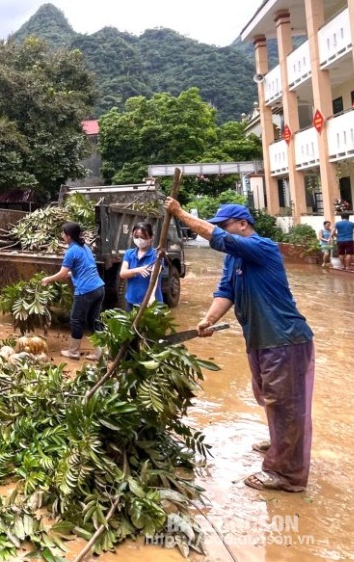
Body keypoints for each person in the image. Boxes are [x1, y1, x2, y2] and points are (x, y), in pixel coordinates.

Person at [164, 200, 314, 493]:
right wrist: (208, 318)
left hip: (284, 338)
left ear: (242, 224)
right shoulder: (234, 260)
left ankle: (286, 474)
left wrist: (181, 214)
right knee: (271, 396)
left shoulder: (263, 247)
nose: (221, 231)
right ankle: (282, 440)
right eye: (219, 225)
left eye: (225, 225)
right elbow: (226, 291)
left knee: (285, 402)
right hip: (260, 338)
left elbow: (218, 239)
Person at [41, 222, 106, 360]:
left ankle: (73, 352)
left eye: (63, 233)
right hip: (99, 288)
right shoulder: (85, 247)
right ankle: (101, 353)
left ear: (68, 236)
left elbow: (63, 273)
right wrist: (72, 274)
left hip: (85, 290)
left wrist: (48, 279)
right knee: (94, 320)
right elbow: (85, 267)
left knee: (76, 320)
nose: (62, 235)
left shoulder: (71, 251)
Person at [118, 222, 163, 312]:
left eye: (143, 237)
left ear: (151, 238)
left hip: (151, 302)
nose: (139, 239)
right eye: (136, 236)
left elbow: (155, 277)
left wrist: (151, 296)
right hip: (132, 300)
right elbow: (122, 274)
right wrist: (137, 270)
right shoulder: (129, 254)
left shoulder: (156, 255)